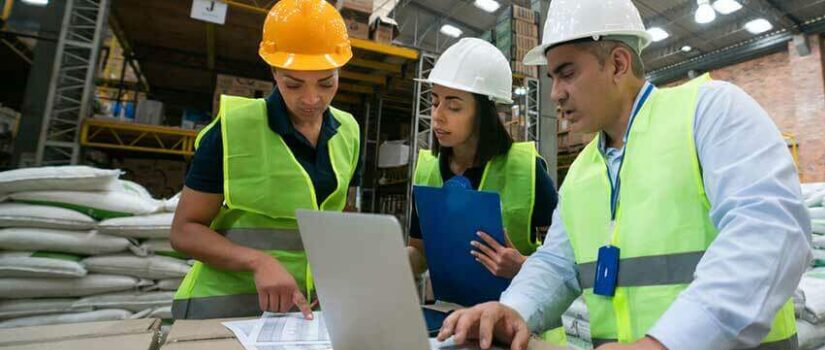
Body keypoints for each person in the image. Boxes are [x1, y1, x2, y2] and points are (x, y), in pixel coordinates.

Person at [436, 0, 812, 350]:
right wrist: (515, 307)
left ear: (617, 63)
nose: (555, 92)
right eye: (552, 77)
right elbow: (558, 262)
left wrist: (664, 349)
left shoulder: (709, 112)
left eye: (567, 72)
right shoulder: (582, 170)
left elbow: (770, 233)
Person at [169, 0, 361, 320]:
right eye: (293, 84)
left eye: (326, 83)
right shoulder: (232, 129)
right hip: (222, 310)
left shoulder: (349, 132)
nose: (312, 99)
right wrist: (257, 261)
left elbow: (337, 215)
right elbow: (184, 231)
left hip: (303, 313)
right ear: (273, 71)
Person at [407, 38, 558, 283]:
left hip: (515, 312)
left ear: (484, 114)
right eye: (435, 102)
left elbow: (564, 260)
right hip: (449, 313)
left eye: (453, 107)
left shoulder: (527, 169)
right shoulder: (426, 169)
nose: (437, 116)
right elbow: (420, 252)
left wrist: (522, 266)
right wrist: (391, 262)